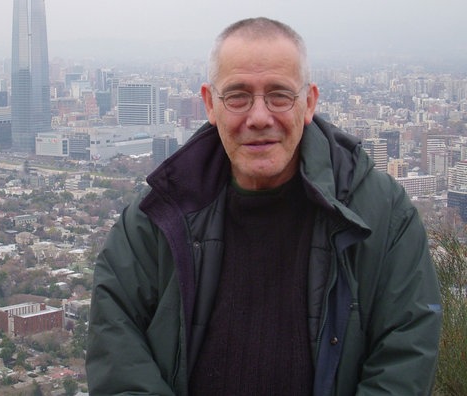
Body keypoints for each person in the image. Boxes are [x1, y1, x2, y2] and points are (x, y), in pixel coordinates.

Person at [86, 17, 442, 396]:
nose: (259, 117)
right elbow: (118, 357)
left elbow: (405, 359)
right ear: (209, 103)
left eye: (279, 95)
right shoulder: (156, 220)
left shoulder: (381, 214)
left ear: (309, 103)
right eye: (238, 95)